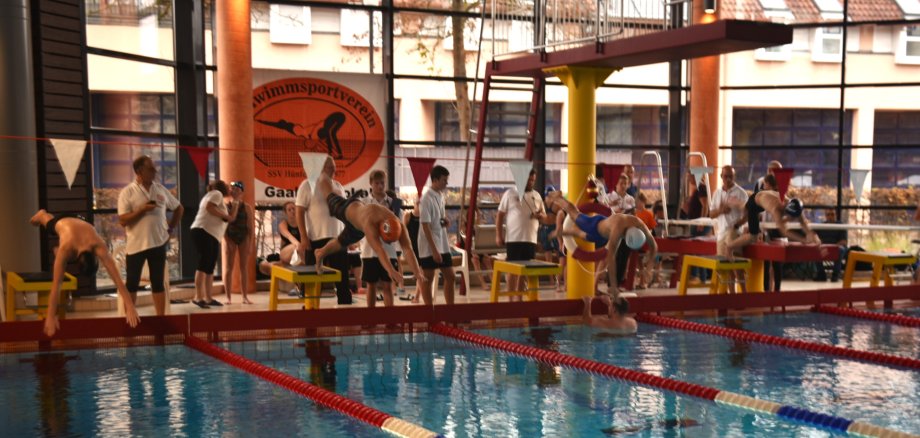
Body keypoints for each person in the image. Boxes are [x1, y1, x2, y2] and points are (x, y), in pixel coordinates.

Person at [312, 170, 426, 301]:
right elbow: (379, 249)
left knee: (340, 242)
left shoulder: (397, 223)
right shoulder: (370, 222)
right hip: (348, 211)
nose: (380, 185)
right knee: (330, 196)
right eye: (376, 183)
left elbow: (408, 249)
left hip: (357, 230)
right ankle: (323, 175)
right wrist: (391, 271)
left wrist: (417, 271)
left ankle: (320, 252)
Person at [30, 210, 140, 337]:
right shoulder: (68, 249)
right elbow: (56, 285)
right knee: (48, 223)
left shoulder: (97, 244)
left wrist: (130, 306)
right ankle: (41, 214)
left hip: (80, 221)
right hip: (67, 222)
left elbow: (118, 280)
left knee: (60, 253)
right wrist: (50, 316)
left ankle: (55, 248)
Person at [546, 190, 657, 296]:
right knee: (574, 213)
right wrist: (613, 286)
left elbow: (654, 246)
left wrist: (649, 268)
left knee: (586, 237)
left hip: (606, 233)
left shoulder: (640, 224)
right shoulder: (618, 228)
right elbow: (611, 259)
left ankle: (569, 232)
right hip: (595, 226)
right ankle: (558, 198)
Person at [117, 156, 184, 316]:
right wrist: (141, 210)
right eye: (151, 169)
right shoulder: (128, 192)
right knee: (132, 283)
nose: (155, 172)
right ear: (139, 171)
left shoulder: (159, 189)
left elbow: (179, 208)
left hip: (158, 243)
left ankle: (160, 318)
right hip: (136, 245)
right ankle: (130, 318)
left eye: (154, 169)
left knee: (158, 283)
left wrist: (170, 228)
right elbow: (122, 220)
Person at [729, 175, 822, 282]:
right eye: (790, 217)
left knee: (747, 218)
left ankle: (737, 208)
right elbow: (784, 231)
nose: (792, 218)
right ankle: (730, 246)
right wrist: (804, 240)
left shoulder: (794, 204)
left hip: (766, 196)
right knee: (753, 235)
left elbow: (804, 224)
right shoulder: (776, 208)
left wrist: (813, 235)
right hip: (755, 201)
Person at [295, 156, 352, 305]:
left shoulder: (338, 186)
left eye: (334, 166)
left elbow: (344, 212)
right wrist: (303, 237)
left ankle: (346, 311)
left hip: (338, 239)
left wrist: (348, 236)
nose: (334, 169)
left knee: (342, 281)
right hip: (315, 239)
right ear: (320, 168)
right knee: (312, 281)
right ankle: (310, 312)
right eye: (329, 167)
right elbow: (299, 211)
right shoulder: (307, 185)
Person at [496, 169, 549, 301]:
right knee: (513, 271)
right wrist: (498, 235)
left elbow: (545, 216)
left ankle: (519, 298)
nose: (531, 182)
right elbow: (500, 215)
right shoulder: (510, 193)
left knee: (525, 271)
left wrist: (540, 216)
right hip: (514, 238)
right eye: (528, 180)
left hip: (530, 239)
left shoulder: (536, 196)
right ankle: (510, 300)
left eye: (533, 180)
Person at [190, 180, 238, 308]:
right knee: (204, 262)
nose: (230, 189)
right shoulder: (216, 193)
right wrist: (225, 216)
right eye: (228, 186)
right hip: (203, 230)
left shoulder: (219, 200)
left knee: (210, 265)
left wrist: (236, 200)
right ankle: (198, 297)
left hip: (211, 234)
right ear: (222, 187)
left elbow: (231, 218)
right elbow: (209, 207)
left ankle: (208, 298)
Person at [417, 165, 455, 305]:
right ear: (435, 180)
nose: (446, 183)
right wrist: (434, 250)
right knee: (428, 277)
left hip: (442, 243)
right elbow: (425, 226)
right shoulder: (426, 199)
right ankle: (429, 312)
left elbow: (436, 219)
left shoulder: (440, 196)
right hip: (429, 245)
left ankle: (450, 311)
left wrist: (444, 221)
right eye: (444, 180)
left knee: (450, 276)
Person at [360, 170, 399, 307]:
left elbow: (399, 226)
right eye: (376, 183)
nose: (380, 186)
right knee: (371, 286)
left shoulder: (394, 203)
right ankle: (371, 319)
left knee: (387, 285)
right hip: (369, 250)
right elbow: (361, 225)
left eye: (382, 183)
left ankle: (390, 320)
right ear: (371, 184)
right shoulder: (364, 203)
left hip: (389, 250)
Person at [709, 165, 748, 293]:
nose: (728, 179)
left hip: (734, 232)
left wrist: (737, 225)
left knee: (737, 266)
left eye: (730, 176)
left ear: (734, 177)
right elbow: (711, 214)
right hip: (721, 233)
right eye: (725, 176)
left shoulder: (740, 193)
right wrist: (721, 210)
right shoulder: (717, 193)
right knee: (725, 267)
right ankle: (732, 296)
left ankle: (744, 294)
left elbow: (749, 214)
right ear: (721, 177)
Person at [754, 161, 783, 292]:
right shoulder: (760, 183)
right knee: (765, 261)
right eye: (773, 171)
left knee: (777, 262)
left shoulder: (783, 184)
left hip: (777, 227)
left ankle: (777, 291)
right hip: (764, 225)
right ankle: (766, 291)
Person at [222, 181, 253, 304]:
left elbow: (250, 227)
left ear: (241, 192)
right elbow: (223, 226)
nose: (234, 190)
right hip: (230, 236)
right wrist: (226, 241)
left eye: (237, 189)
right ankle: (228, 297)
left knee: (243, 267)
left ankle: (244, 297)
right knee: (228, 267)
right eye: (232, 188)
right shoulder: (225, 206)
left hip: (243, 236)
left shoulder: (247, 207)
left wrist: (250, 244)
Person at [538, 186, 563, 292]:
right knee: (560, 255)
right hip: (553, 229)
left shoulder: (541, 204)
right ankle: (558, 280)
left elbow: (537, 216)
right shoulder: (556, 205)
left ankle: (551, 280)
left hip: (544, 229)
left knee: (548, 257)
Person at [814, 208, 847, 282]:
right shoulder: (821, 226)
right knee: (815, 249)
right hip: (824, 248)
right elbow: (815, 236)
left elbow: (844, 241)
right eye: (828, 214)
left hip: (836, 247)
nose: (830, 216)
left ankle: (835, 275)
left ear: (835, 215)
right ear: (825, 216)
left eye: (832, 214)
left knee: (840, 250)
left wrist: (834, 247)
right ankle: (821, 274)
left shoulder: (841, 225)